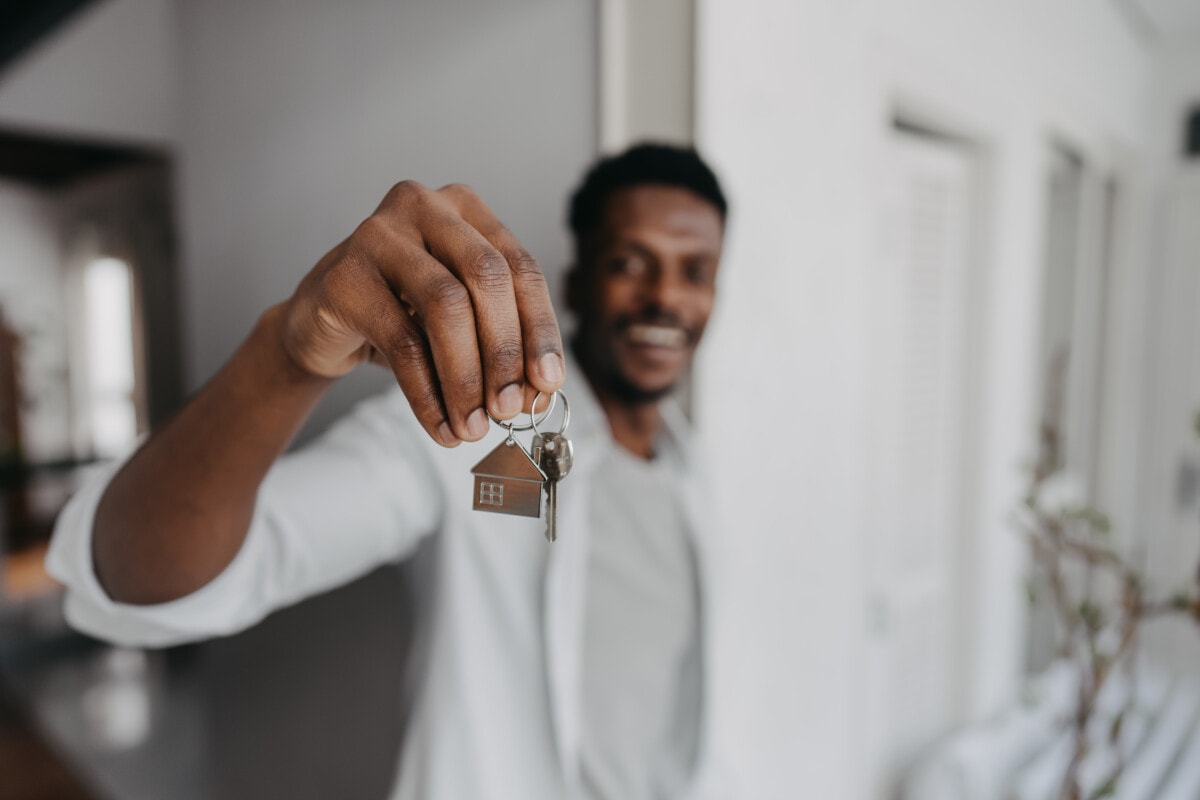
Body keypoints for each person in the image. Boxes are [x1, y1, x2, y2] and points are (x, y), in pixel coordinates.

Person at [47, 143, 732, 799]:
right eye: (631, 263)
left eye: (695, 271)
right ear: (579, 280)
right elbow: (139, 580)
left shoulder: (694, 471)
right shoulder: (480, 428)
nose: (666, 297)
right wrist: (289, 355)